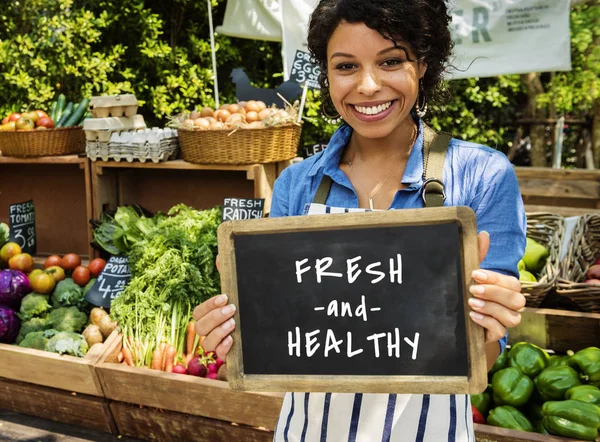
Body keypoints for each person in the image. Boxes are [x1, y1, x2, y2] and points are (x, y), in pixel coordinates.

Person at [193, 0, 527, 440]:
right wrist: (234, 331)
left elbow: (485, 355)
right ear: (327, 75)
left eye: (390, 61)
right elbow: (281, 336)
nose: (368, 86)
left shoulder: (483, 175)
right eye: (346, 66)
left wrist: (493, 317)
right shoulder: (297, 184)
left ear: (422, 64)